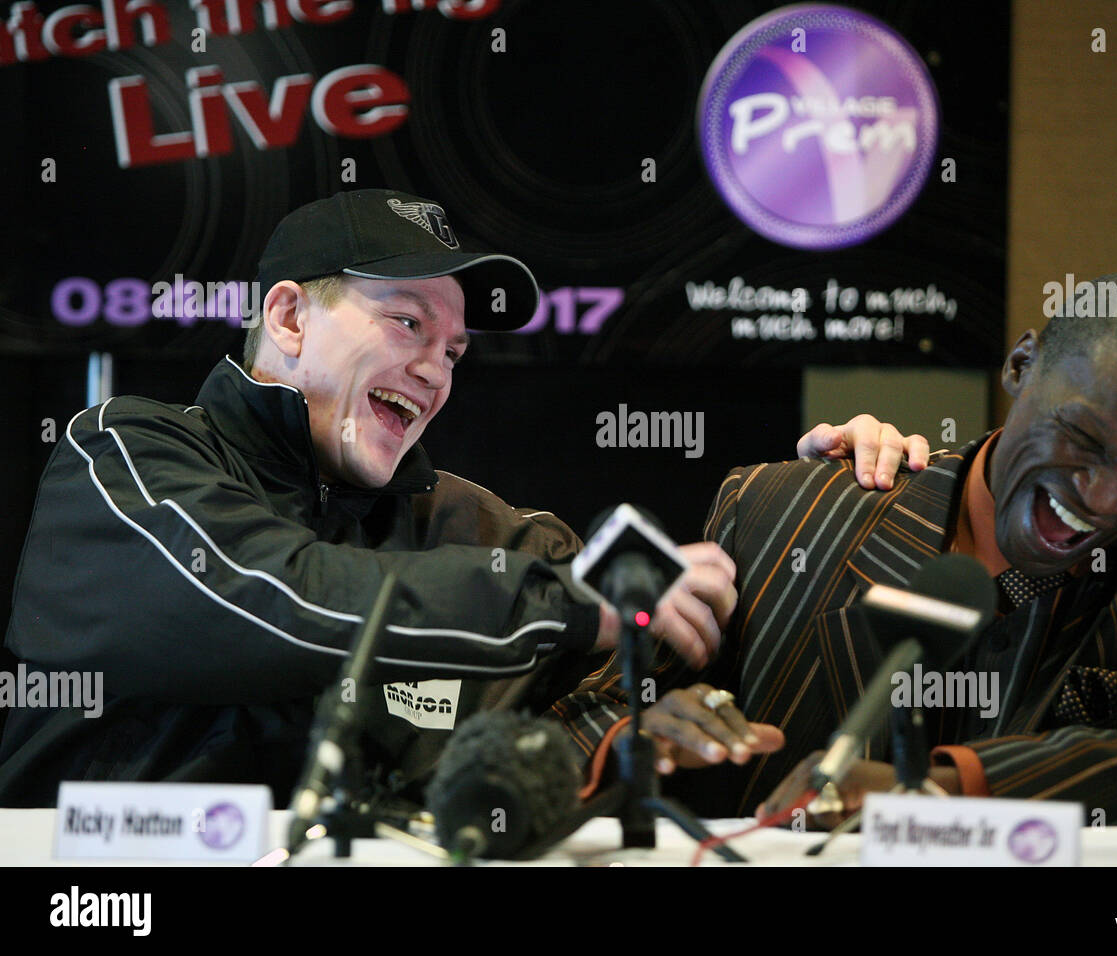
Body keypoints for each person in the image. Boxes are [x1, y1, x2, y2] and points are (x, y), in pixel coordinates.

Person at [0, 188, 745, 807]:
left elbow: (665, 620)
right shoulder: (122, 453)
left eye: (453, 350)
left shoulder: (474, 530)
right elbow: (278, 600)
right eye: (408, 323)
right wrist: (569, 602)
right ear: (289, 317)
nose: (435, 371)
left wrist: (835, 477)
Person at [554, 273, 1117, 826]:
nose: (1104, 499)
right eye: (1082, 439)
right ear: (1019, 368)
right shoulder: (778, 511)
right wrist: (646, 733)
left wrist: (944, 793)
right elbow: (582, 715)